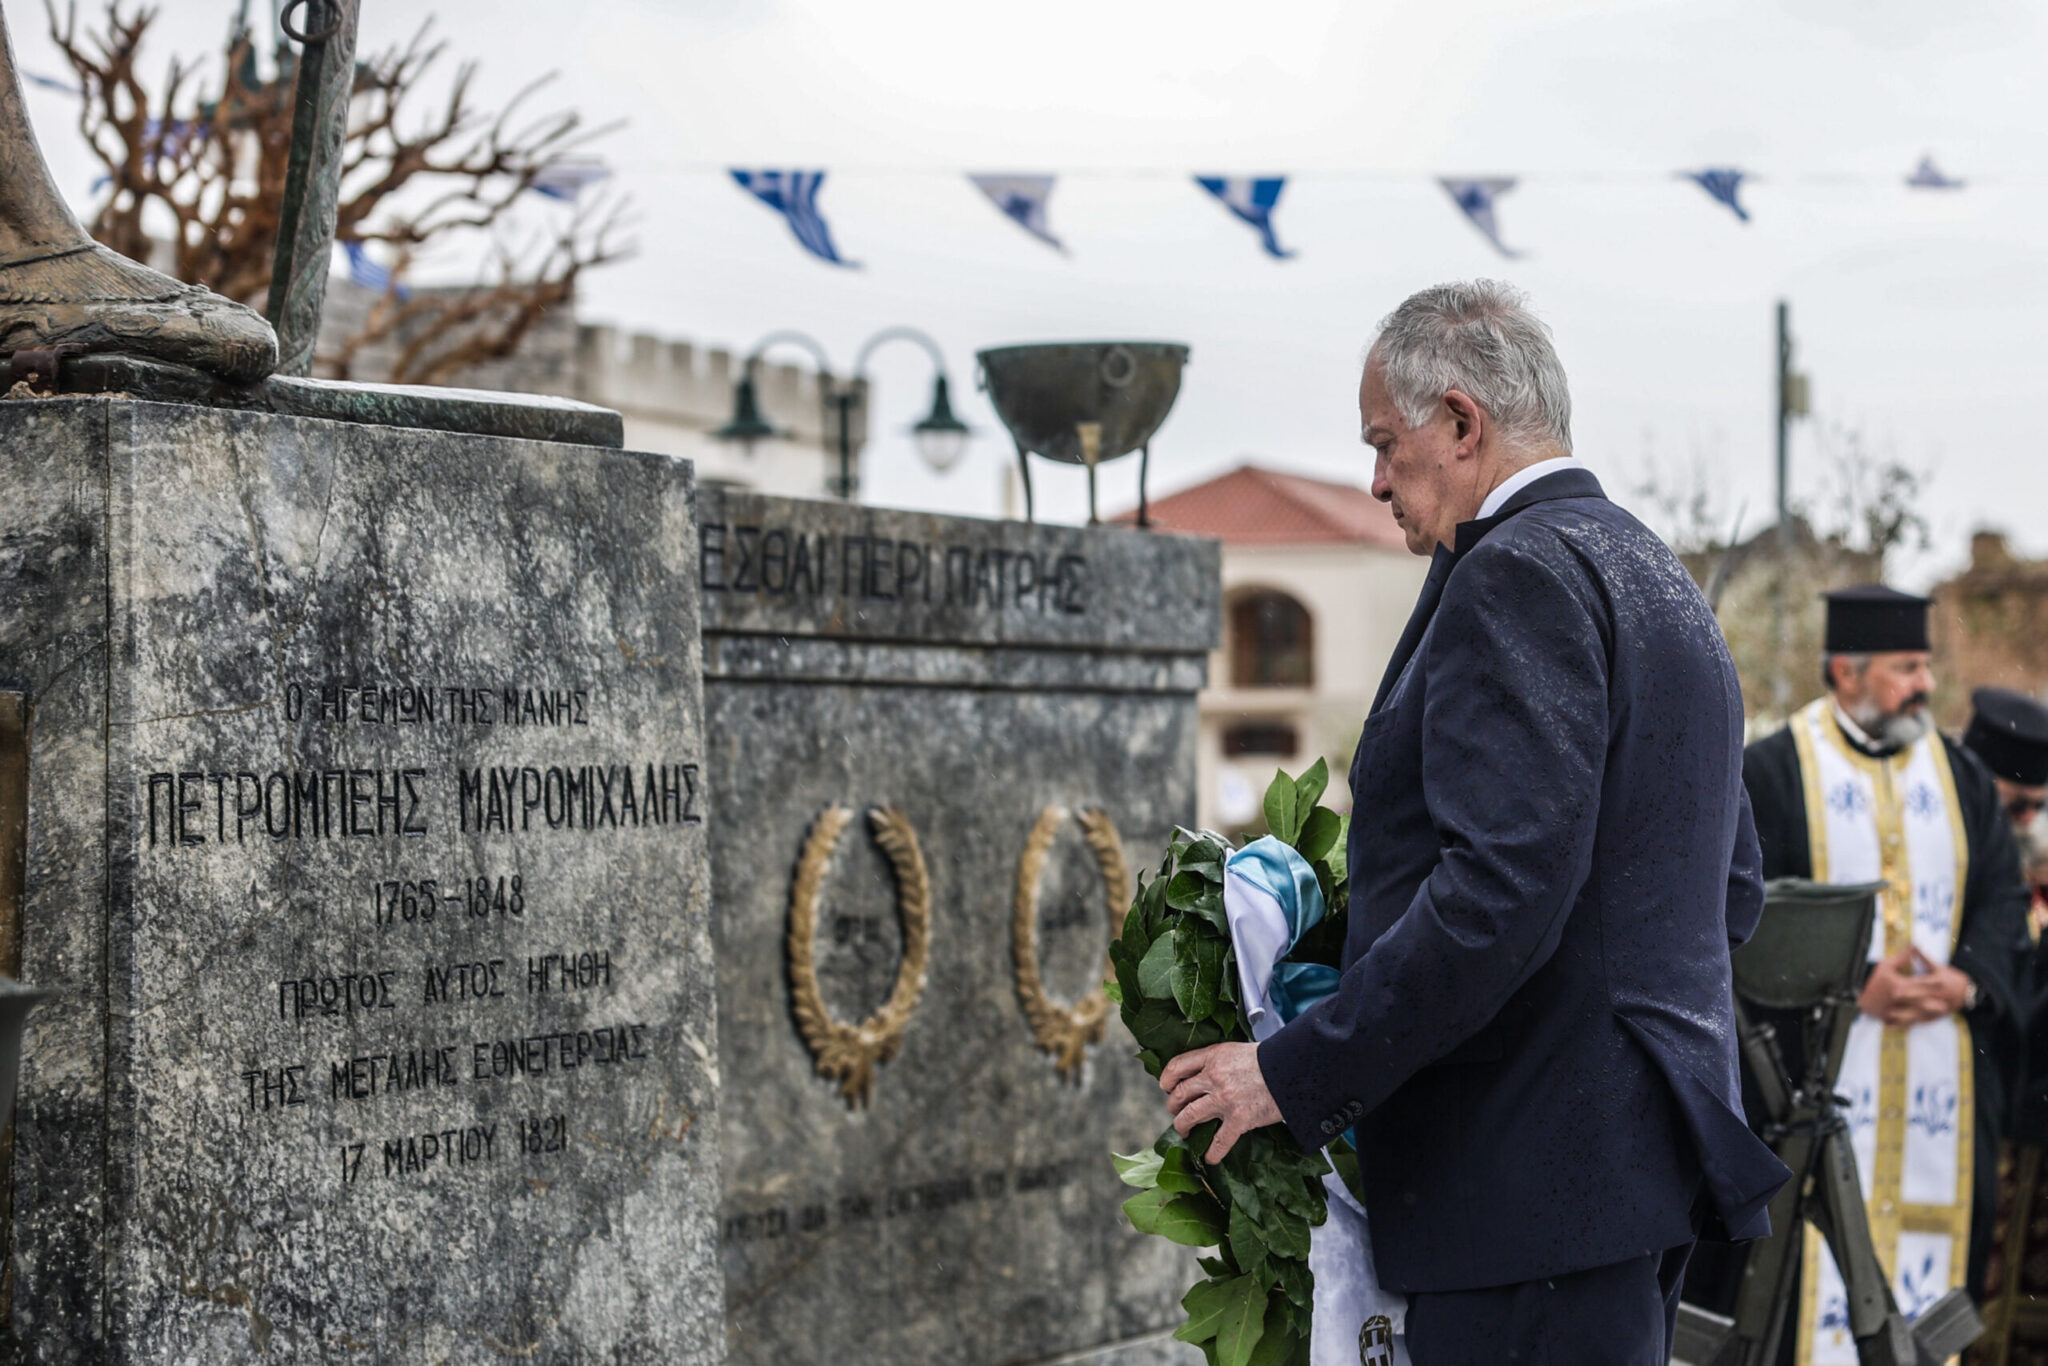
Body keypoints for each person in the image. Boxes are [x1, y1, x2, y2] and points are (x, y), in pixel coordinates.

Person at [1156, 280, 1788, 1365]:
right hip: (1633, 1177)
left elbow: (1500, 891)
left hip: (1523, 1188)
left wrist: (1296, 1071)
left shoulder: (1514, 574)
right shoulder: (1653, 571)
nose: (1374, 480)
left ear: (1460, 421)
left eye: (1382, 443)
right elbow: (1727, 887)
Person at [1730, 588, 2029, 1357]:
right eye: (1906, 668)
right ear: (1846, 671)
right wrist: (1851, 982)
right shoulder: (1773, 772)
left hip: (1938, 1077)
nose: (1925, 685)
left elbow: (2002, 896)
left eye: (1926, 667)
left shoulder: (1961, 778)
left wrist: (1967, 979)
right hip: (1812, 1069)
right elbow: (1745, 906)